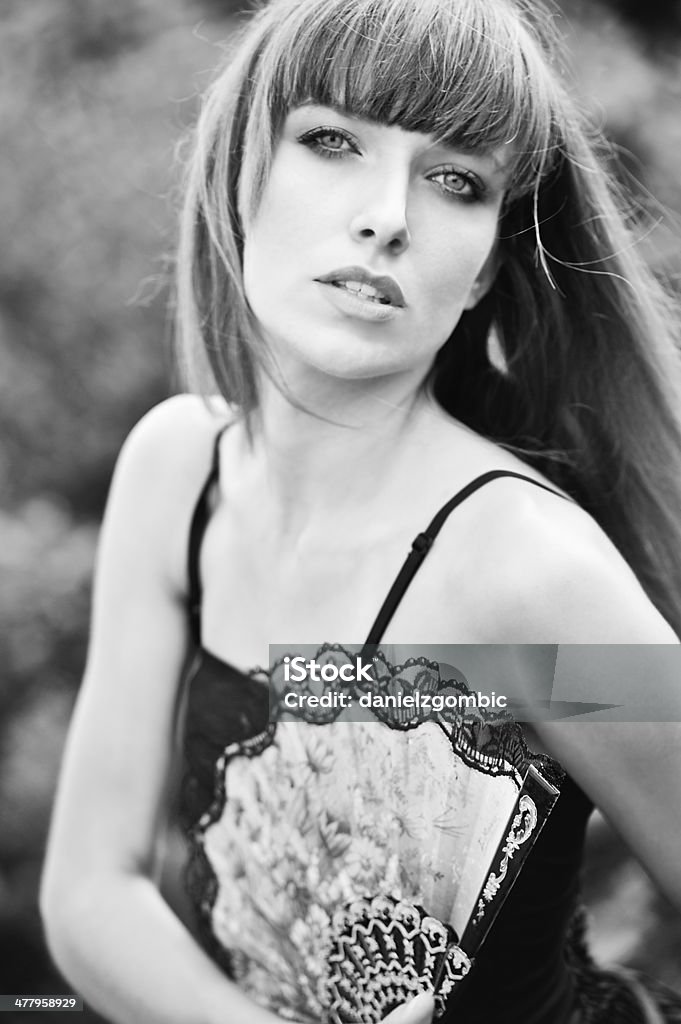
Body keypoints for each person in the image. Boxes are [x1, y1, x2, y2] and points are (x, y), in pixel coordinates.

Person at [40, 0, 681, 1022]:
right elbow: (88, 892)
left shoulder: (529, 576)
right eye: (332, 141)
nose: (388, 214)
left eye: (457, 180)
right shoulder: (177, 477)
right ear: (242, 174)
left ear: (483, 272)